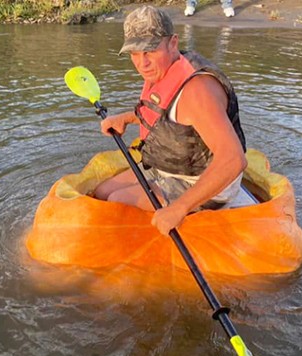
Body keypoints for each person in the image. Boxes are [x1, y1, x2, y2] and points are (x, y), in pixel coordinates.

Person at [94, 5, 247, 235]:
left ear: (173, 43)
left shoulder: (198, 91)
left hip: (202, 181)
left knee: (117, 200)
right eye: (134, 53)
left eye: (150, 51)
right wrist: (125, 118)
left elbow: (234, 160)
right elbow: (163, 112)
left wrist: (179, 207)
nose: (141, 63)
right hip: (170, 166)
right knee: (102, 192)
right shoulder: (163, 68)